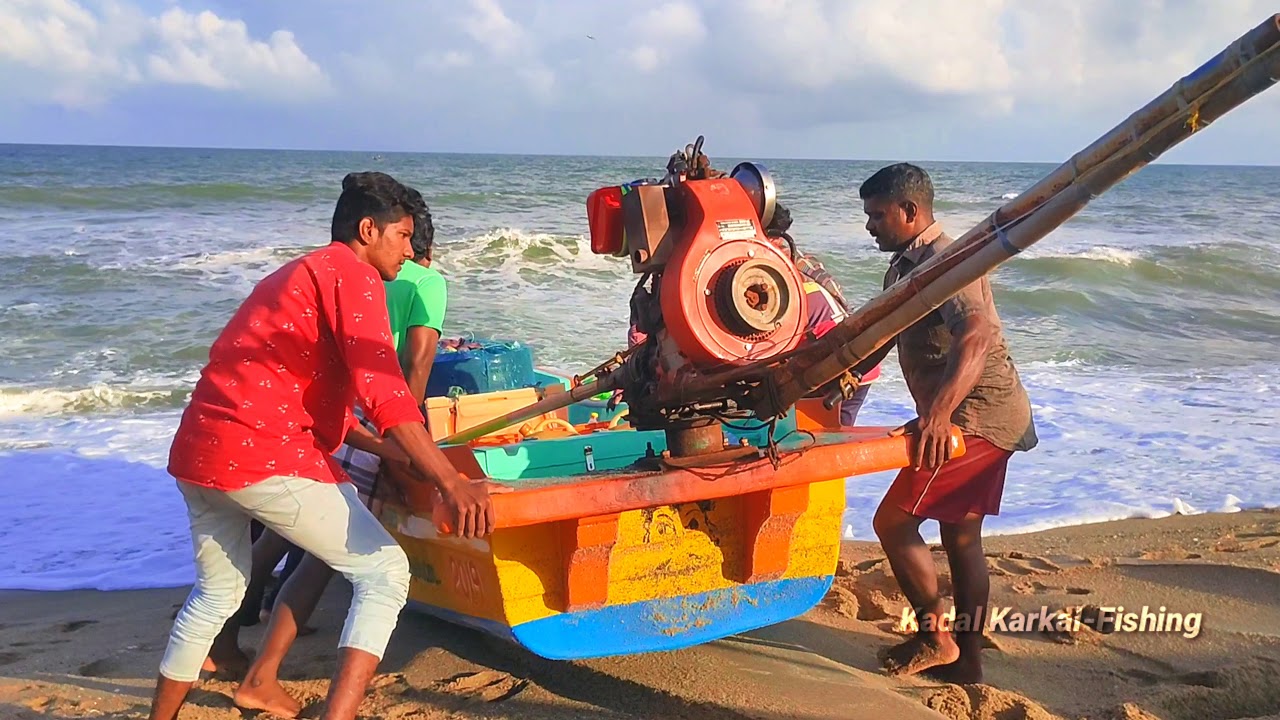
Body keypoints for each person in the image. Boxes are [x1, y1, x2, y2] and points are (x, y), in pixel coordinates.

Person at [149, 171, 498, 720]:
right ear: (368, 230)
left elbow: (327, 412)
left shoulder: (295, 273)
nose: (411, 251)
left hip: (198, 450)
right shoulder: (354, 277)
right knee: (385, 573)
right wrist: (450, 480)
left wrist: (401, 456)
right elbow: (386, 390)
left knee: (218, 592)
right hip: (260, 456)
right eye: (403, 236)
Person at [233, 181, 452, 710]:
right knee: (347, 556)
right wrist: (416, 440)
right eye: (400, 237)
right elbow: (415, 364)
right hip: (381, 422)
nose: (403, 249)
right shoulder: (420, 281)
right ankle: (288, 681)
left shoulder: (335, 273)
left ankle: (240, 623)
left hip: (338, 419)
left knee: (304, 541)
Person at [850, 163, 1037, 685]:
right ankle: (968, 662)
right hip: (989, 413)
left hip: (976, 416)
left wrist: (938, 415)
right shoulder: (905, 266)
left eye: (877, 215)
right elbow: (885, 334)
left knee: (892, 521)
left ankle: (937, 637)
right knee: (960, 538)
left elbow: (975, 334)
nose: (870, 226)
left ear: (910, 212)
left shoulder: (947, 262)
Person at [762, 203, 880, 426]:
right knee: (838, 431)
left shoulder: (773, 274)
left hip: (835, 364)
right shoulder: (804, 259)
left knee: (815, 434)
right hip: (861, 358)